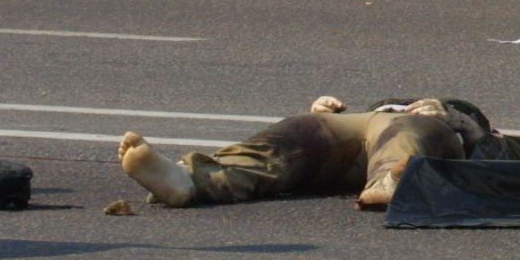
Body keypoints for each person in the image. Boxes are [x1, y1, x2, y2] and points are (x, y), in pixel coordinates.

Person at [115, 95, 487, 210]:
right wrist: (321, 114)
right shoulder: (380, 108)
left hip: (422, 132)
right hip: (356, 129)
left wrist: (470, 129)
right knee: (297, 133)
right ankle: (191, 179)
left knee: (408, 131)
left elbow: (519, 157)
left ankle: (392, 179)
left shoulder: (448, 118)